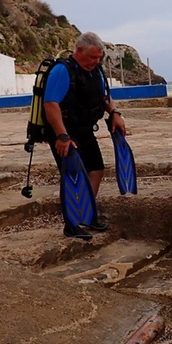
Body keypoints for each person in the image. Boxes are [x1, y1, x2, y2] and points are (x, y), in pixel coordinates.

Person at [43, 32, 125, 239]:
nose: (96, 62)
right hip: (64, 131)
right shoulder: (62, 70)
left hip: (85, 129)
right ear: (79, 51)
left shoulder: (94, 72)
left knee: (96, 169)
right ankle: (71, 224)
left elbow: (104, 96)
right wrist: (62, 136)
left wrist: (114, 113)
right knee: (71, 175)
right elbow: (50, 103)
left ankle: (87, 214)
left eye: (99, 58)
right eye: (92, 57)